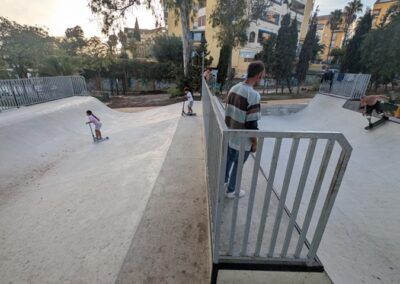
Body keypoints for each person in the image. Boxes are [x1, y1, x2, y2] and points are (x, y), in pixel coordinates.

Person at [224, 61, 265, 198]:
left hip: (230, 135)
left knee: (229, 159)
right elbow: (252, 124)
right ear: (259, 75)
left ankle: (224, 182)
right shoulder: (253, 95)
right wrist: (254, 142)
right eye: (263, 75)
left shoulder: (234, 88)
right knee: (238, 164)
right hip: (243, 140)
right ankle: (231, 190)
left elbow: (228, 111)